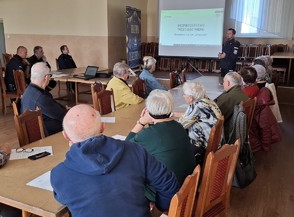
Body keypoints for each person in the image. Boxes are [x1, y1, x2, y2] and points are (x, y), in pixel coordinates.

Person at [50, 104, 179, 217]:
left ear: (65, 135)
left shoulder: (59, 174)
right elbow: (169, 184)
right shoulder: (135, 151)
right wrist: (156, 212)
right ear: (102, 126)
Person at [126, 89, 196, 201]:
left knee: (128, 176)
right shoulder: (178, 126)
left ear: (148, 110)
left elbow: (126, 146)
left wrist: (141, 122)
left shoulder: (148, 134)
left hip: (167, 193)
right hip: (186, 185)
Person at [176, 82, 222, 164]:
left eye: (184, 94)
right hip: (216, 141)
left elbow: (181, 125)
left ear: (190, 97)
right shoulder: (206, 100)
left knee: (175, 139)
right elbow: (191, 117)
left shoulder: (197, 106)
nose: (183, 96)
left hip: (202, 145)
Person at [20, 62, 67, 135]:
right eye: (50, 75)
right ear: (46, 77)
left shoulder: (28, 90)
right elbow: (63, 115)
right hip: (47, 134)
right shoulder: (40, 97)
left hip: (36, 131)